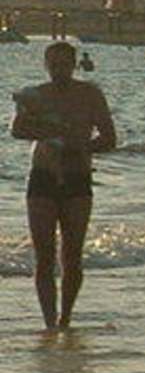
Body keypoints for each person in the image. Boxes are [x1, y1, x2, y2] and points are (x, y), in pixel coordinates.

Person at [10, 42, 116, 329]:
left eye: (64, 64)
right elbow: (17, 130)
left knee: (72, 255)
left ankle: (65, 317)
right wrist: (46, 131)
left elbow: (109, 138)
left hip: (77, 178)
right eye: (53, 65)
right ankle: (49, 323)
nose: (59, 70)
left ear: (74, 65)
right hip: (42, 177)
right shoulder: (36, 94)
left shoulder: (90, 94)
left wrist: (81, 147)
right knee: (43, 256)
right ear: (46, 66)